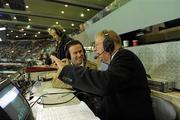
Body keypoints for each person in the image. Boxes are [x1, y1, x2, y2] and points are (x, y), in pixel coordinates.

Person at [50, 30, 155, 120]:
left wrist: (67, 70)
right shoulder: (117, 60)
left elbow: (105, 83)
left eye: (96, 45)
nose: (95, 49)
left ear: (108, 44)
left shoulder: (124, 56)